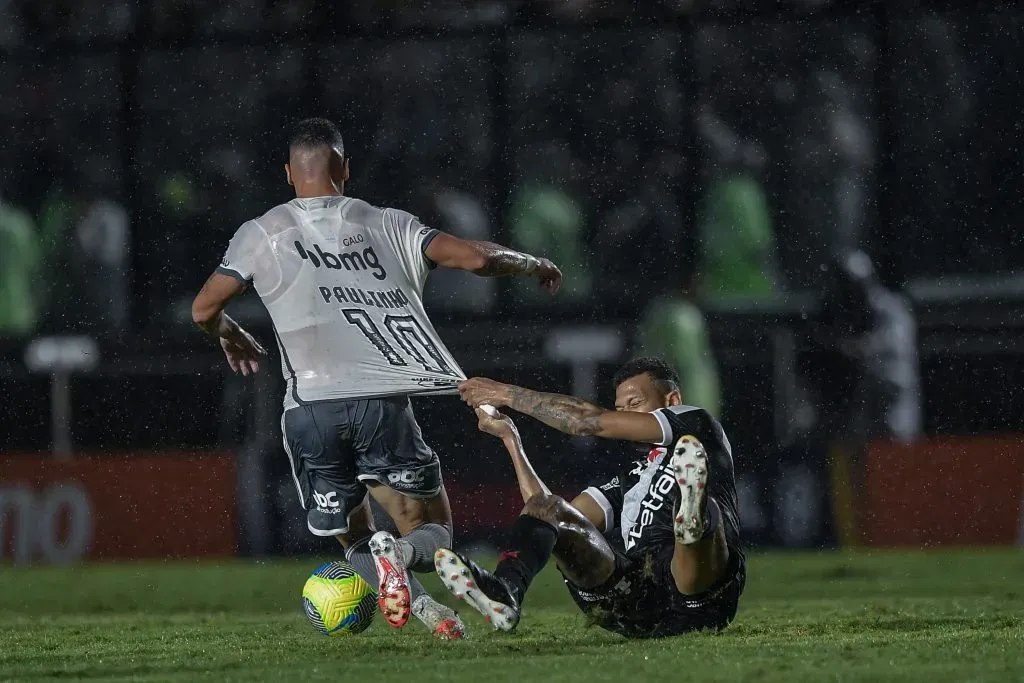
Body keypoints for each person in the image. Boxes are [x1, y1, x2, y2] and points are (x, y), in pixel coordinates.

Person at [191, 118, 562, 640]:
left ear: (288, 174)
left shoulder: (261, 233)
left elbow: (203, 307)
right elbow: (477, 258)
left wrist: (228, 332)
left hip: (309, 412)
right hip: (381, 405)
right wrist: (532, 262)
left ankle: (430, 613)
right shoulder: (387, 223)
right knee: (431, 530)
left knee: (354, 538)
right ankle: (405, 556)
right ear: (344, 168)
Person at [444, 357, 745, 638]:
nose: (625, 415)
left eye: (635, 403)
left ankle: (691, 522)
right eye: (620, 407)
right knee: (547, 507)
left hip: (703, 596)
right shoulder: (629, 479)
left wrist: (504, 393)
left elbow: (587, 421)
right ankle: (505, 591)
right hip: (637, 602)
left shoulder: (698, 427)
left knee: (705, 514)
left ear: (673, 401)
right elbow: (553, 521)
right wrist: (511, 439)